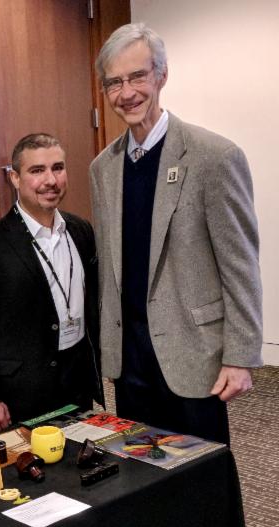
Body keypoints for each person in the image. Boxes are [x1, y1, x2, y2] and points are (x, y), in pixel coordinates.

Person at [90, 23, 262, 444]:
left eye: (137, 77)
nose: (126, 92)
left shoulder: (213, 157)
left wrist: (240, 357)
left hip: (193, 353)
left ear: (161, 76)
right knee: (143, 469)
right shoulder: (103, 169)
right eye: (114, 82)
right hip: (130, 358)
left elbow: (240, 265)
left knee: (200, 475)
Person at [0, 133, 103, 433]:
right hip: (21, 393)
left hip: (77, 380)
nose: (51, 180)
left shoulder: (81, 230)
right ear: (15, 178)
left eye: (57, 168)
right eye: (37, 171)